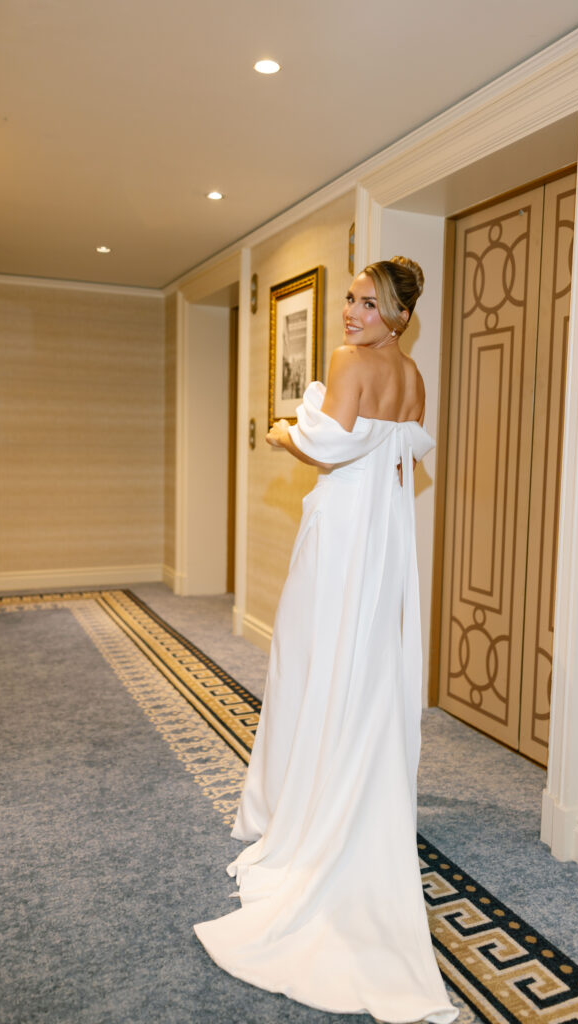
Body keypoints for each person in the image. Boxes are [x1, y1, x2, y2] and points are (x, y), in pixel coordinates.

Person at [194, 257, 458, 1024]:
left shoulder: (346, 364)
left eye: (367, 304)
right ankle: (344, 787)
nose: (350, 314)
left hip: (342, 535)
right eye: (347, 300)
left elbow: (325, 446)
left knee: (309, 661)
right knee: (361, 666)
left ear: (397, 314)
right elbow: (399, 459)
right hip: (382, 543)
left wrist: (282, 432)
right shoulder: (410, 376)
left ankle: (301, 811)